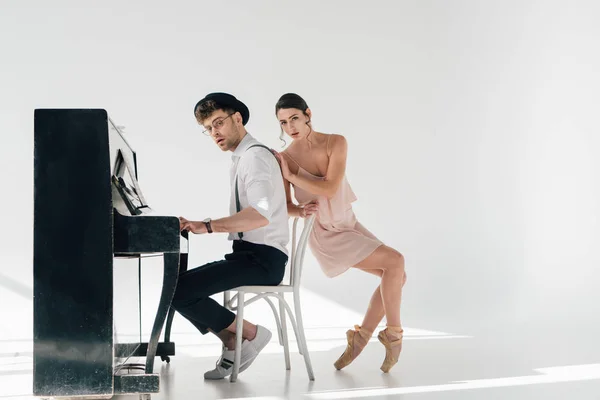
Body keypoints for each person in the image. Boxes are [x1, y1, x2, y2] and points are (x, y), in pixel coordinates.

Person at [272, 93, 407, 373]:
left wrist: (292, 175)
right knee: (395, 263)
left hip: (347, 222)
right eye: (283, 123)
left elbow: (331, 188)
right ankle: (393, 335)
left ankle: (360, 338)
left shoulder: (336, 142)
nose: (290, 127)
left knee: (396, 274)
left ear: (308, 114)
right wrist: (300, 210)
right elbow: (287, 206)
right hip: (324, 231)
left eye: (294, 118)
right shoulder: (284, 158)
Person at [172, 92, 289, 380]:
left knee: (177, 291)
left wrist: (207, 225)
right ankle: (234, 339)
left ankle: (248, 334)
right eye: (208, 129)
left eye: (219, 123)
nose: (214, 133)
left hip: (262, 261)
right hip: (249, 256)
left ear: (238, 118)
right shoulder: (243, 158)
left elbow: (260, 214)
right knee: (178, 288)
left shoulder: (255, 158)